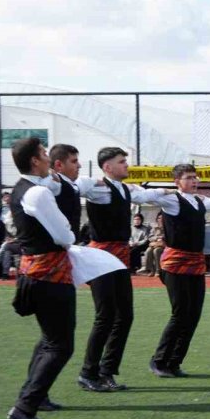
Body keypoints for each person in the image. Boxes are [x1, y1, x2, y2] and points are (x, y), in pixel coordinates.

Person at [4, 138, 77, 419]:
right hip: (50, 274)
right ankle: (25, 407)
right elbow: (65, 235)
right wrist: (68, 233)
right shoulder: (37, 193)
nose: (49, 158)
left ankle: (32, 397)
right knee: (60, 345)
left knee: (49, 340)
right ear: (35, 161)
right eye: (45, 154)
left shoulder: (24, 189)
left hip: (35, 273)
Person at [77, 147, 162, 392]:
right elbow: (77, 185)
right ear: (107, 167)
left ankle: (106, 371)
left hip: (119, 259)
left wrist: (173, 192)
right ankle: (88, 372)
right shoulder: (98, 188)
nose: (127, 165)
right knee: (105, 316)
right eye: (122, 162)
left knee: (124, 315)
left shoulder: (125, 189)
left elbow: (149, 195)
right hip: (100, 257)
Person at [147, 164, 210, 377]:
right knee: (180, 314)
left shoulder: (199, 202)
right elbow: (143, 197)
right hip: (176, 264)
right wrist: (162, 191)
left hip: (196, 264)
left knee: (193, 314)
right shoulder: (171, 200)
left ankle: (175, 362)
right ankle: (159, 361)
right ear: (177, 182)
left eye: (195, 177)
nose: (194, 181)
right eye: (189, 178)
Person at [139, 212, 165, 277]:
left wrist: (161, 238)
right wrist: (157, 238)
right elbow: (150, 237)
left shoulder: (167, 227)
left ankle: (158, 270)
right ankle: (150, 270)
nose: (160, 219)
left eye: (162, 218)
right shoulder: (154, 228)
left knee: (156, 251)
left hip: (163, 245)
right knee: (148, 251)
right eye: (159, 218)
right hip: (155, 244)